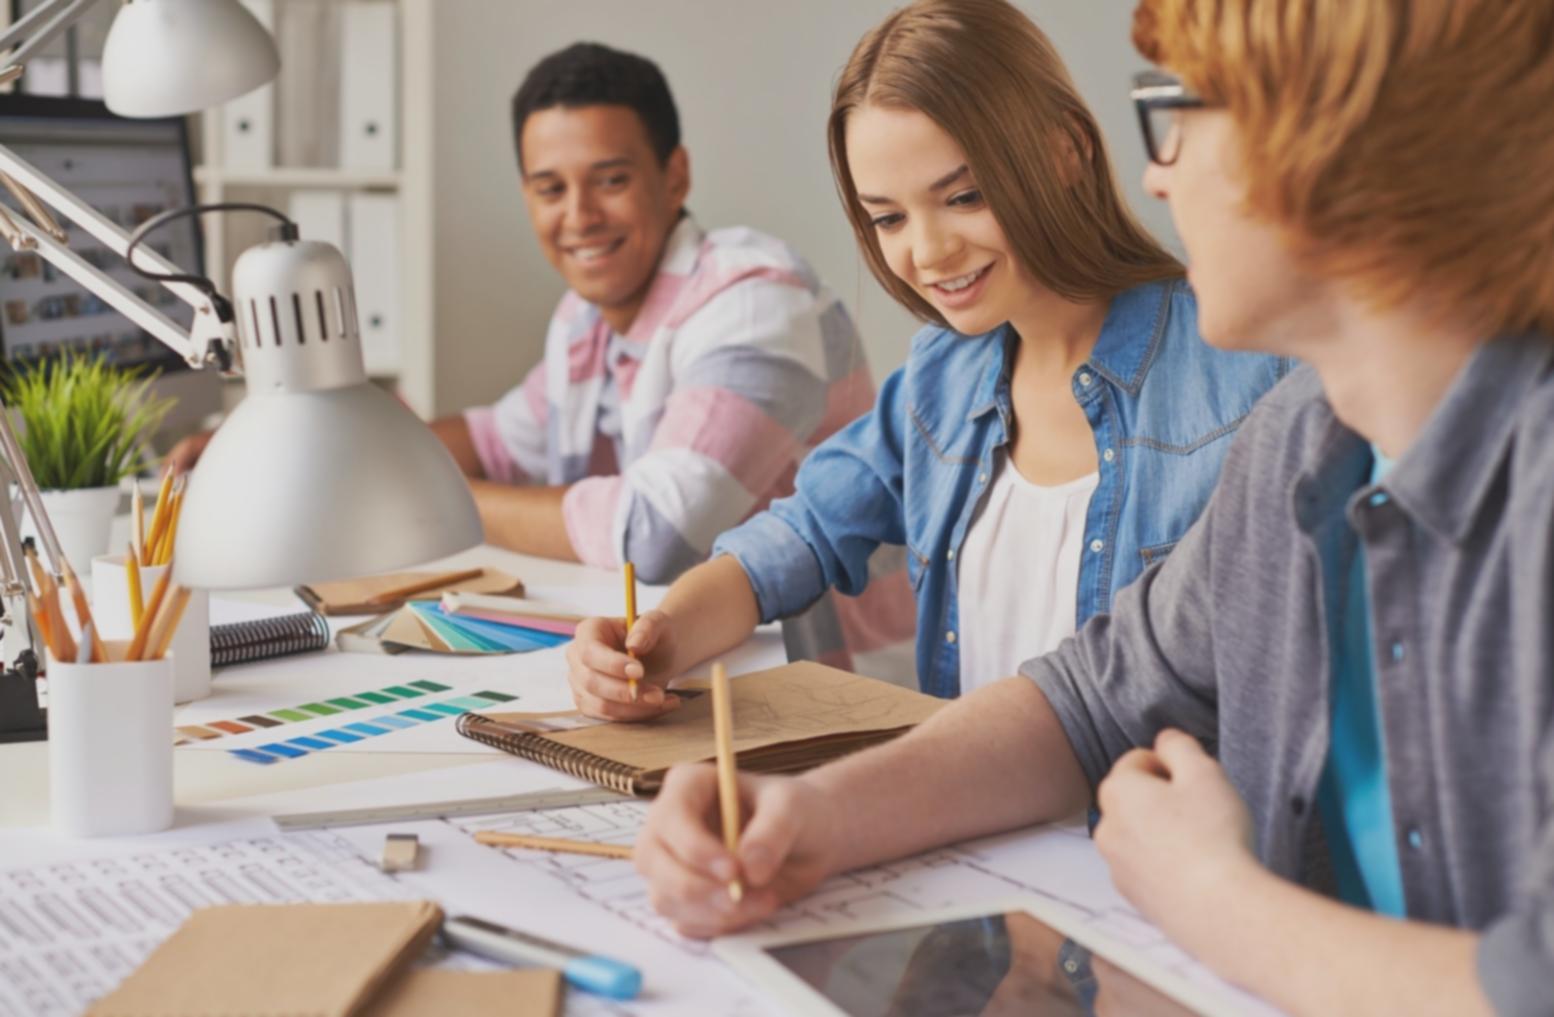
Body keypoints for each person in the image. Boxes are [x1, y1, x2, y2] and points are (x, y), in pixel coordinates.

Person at [632, 0, 1554, 1013]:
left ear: (1337, 147)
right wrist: (811, 817)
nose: (1155, 173)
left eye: (1179, 117)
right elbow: (1084, 702)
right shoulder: (1301, 444)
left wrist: (1215, 897)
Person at [563, 0, 1285, 719]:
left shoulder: (1252, 372)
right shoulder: (944, 374)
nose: (929, 251)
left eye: (964, 196)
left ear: (1068, 151)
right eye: (888, 217)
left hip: (1150, 830)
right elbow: (799, 535)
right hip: (961, 823)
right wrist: (658, 638)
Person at [167, 44, 891, 614]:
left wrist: (408, 496)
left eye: (610, 179)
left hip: (833, 689)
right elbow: (495, 442)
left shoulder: (756, 300)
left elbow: (653, 539)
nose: (577, 216)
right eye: (550, 188)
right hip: (694, 664)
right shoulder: (584, 318)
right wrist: (304, 459)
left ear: (675, 176)